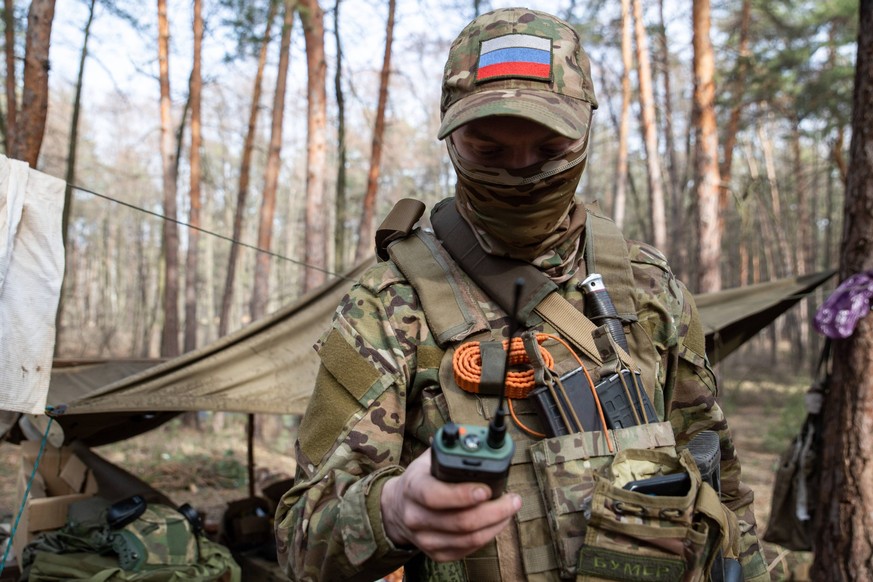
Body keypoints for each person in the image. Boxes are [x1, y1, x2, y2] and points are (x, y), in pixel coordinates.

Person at [275, 7, 770, 582]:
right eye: (489, 153)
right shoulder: (392, 302)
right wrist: (391, 512)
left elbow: (721, 489)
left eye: (549, 151)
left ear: (585, 132)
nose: (520, 172)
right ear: (450, 136)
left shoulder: (648, 287)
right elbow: (298, 539)